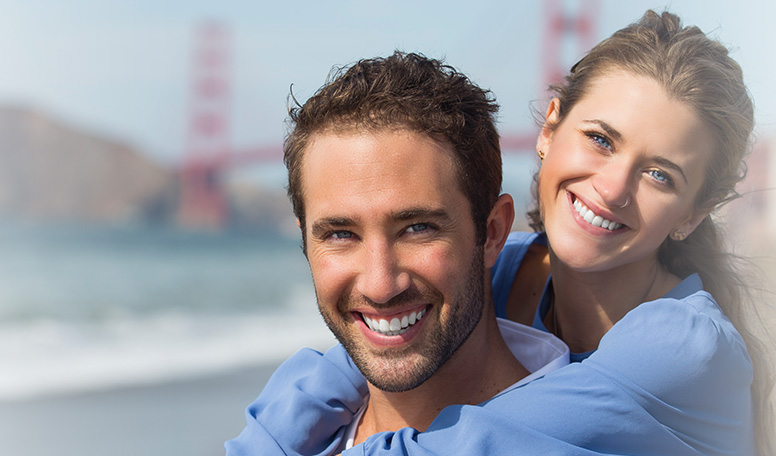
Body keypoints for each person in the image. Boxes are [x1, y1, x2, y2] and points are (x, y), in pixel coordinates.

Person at [229, 10, 776, 456]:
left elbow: (469, 445)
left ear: (693, 213)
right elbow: (352, 354)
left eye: (660, 175)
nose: (611, 189)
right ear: (550, 127)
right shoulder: (509, 267)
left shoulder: (682, 350)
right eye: (601, 140)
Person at [223, 51, 571, 454]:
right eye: (340, 234)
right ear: (305, 242)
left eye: (417, 228)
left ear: (492, 233)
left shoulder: (569, 440)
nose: (380, 285)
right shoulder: (289, 432)